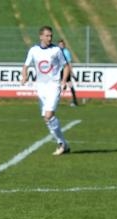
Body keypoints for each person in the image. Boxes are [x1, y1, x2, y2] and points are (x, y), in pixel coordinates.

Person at [21, 26, 71, 156]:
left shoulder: (56, 50)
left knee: (49, 115)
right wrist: (24, 75)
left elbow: (66, 66)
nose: (50, 38)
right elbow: (25, 65)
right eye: (47, 36)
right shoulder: (34, 50)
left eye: (51, 36)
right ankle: (64, 144)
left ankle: (61, 143)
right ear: (41, 36)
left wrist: (64, 81)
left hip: (54, 86)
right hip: (41, 87)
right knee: (47, 119)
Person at [58, 39, 79, 107]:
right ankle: (55, 100)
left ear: (64, 45)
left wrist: (71, 72)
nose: (61, 46)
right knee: (59, 86)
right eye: (60, 44)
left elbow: (69, 63)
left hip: (65, 70)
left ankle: (75, 101)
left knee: (69, 85)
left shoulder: (66, 52)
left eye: (62, 44)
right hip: (59, 70)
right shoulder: (57, 52)